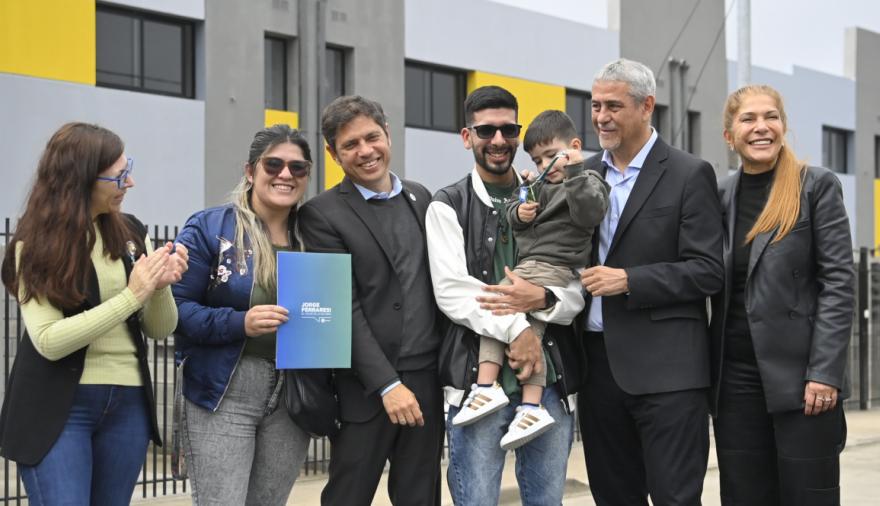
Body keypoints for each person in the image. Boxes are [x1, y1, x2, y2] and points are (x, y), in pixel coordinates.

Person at [0, 122, 186, 505]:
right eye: (120, 175)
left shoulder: (132, 233)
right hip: (57, 409)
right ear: (82, 178)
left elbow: (160, 327)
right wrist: (133, 295)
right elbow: (49, 341)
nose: (129, 184)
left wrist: (161, 284)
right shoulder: (33, 245)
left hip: (128, 405)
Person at [426, 87, 587, 505]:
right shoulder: (447, 204)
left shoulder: (553, 191)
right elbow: (453, 292)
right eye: (486, 130)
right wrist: (520, 330)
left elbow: (578, 283)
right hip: (476, 387)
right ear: (467, 136)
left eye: (508, 129)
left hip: (550, 383)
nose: (498, 140)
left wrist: (545, 300)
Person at [575, 58, 724, 505]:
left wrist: (630, 281)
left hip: (669, 377)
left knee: (675, 498)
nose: (601, 117)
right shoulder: (581, 175)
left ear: (647, 107)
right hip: (597, 370)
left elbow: (708, 270)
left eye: (614, 106)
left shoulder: (689, 174)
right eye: (596, 105)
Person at [710, 84, 853, 505]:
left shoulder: (816, 186)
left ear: (784, 126)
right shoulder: (719, 194)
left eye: (771, 117)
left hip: (803, 380)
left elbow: (839, 282)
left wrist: (825, 372)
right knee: (744, 496)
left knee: (809, 496)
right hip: (734, 381)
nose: (761, 127)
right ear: (729, 135)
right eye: (748, 119)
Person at [297, 95, 443, 506]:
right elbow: (343, 307)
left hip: (426, 379)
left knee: (421, 498)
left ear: (387, 135)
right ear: (333, 153)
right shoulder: (320, 215)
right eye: (350, 145)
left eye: (371, 137)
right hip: (367, 388)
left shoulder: (422, 198)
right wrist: (387, 384)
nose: (365, 151)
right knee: (348, 496)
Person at [450, 109, 609, 452]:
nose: (545, 166)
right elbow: (517, 219)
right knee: (504, 312)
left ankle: (504, 393)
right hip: (531, 264)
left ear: (575, 147)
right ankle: (514, 398)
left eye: (552, 156)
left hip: (554, 266)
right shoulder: (539, 185)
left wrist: (576, 170)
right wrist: (520, 211)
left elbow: (589, 213)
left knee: (505, 311)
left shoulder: (586, 181)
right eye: (538, 160)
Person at [172, 124, 312, 505]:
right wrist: (241, 322)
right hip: (225, 391)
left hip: (294, 395)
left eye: (298, 168)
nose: (286, 174)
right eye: (274, 164)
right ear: (250, 171)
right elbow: (177, 312)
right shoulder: (210, 227)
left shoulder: (315, 235)